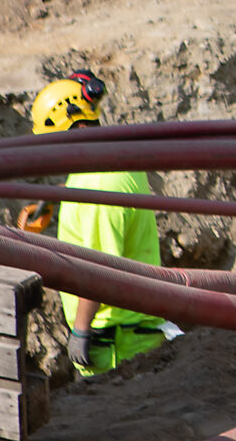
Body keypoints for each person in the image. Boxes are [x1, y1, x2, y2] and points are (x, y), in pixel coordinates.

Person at [30, 73, 181, 377]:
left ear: (80, 127)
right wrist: (56, 197)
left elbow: (99, 269)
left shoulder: (98, 185)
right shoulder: (109, 161)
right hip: (128, 334)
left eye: (54, 141)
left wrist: (81, 331)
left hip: (117, 345)